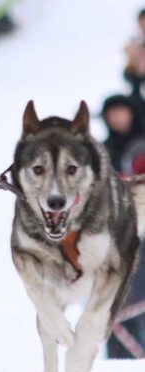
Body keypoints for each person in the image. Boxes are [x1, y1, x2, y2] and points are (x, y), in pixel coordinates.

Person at [101, 94, 145, 358]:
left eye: (121, 111)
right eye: (111, 112)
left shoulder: (141, 144)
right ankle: (121, 357)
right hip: (117, 235)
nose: (116, 118)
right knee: (118, 296)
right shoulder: (103, 150)